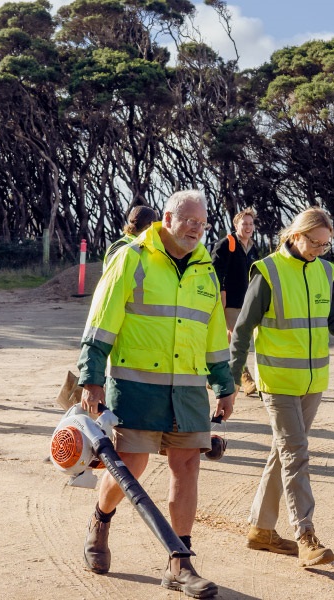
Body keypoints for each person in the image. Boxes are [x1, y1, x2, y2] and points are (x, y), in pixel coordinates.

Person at [78, 190, 235, 599]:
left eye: (202, 224)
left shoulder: (206, 270)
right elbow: (101, 322)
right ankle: (101, 519)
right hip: (136, 387)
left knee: (187, 467)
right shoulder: (132, 258)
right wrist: (91, 377)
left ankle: (179, 563)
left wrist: (224, 384)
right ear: (167, 217)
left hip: (187, 391)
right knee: (131, 466)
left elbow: (215, 335)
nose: (196, 230)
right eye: (189, 221)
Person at [228, 207, 334, 567]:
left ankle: (260, 530)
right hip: (278, 382)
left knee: (284, 453)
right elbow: (241, 330)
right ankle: (305, 534)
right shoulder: (268, 272)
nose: (319, 250)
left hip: (314, 382)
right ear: (296, 235)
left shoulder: (324, 271)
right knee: (296, 453)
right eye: (315, 243)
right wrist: (231, 378)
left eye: (325, 245)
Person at [210, 206, 260, 396]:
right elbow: (215, 270)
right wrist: (220, 292)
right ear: (236, 225)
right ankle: (244, 379)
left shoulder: (252, 247)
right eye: (244, 223)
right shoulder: (227, 244)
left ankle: (214, 376)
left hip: (247, 300)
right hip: (229, 300)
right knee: (238, 338)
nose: (248, 227)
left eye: (250, 223)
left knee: (231, 338)